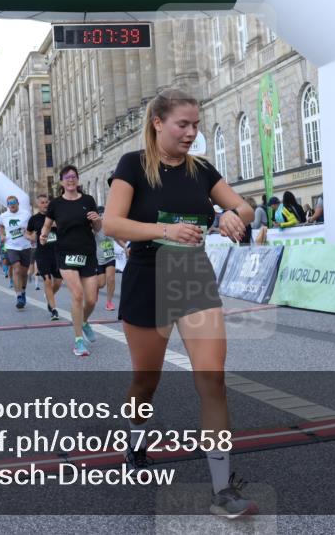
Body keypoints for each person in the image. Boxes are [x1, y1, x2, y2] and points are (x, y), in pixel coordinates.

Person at [103, 89, 257, 517]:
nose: (191, 132)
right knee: (145, 384)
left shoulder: (202, 169)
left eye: (195, 124)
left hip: (192, 277)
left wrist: (233, 216)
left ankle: (222, 488)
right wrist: (164, 231)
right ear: (158, 122)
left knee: (212, 379)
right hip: (147, 277)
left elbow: (244, 208)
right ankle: (134, 442)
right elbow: (113, 223)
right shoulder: (133, 165)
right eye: (182, 124)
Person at [39, 166, 101, 355]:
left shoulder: (88, 200)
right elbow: (47, 224)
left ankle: (83, 321)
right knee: (77, 294)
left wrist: (97, 219)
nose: (71, 180)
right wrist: (43, 235)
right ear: (61, 182)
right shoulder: (56, 204)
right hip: (65, 253)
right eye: (67, 177)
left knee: (91, 299)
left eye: (73, 177)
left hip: (87, 253)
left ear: (78, 179)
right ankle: (78, 341)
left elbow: (97, 228)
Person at [27, 194, 63, 321]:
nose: (45, 204)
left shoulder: (57, 216)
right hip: (42, 254)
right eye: (42, 202)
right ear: (38, 205)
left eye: (47, 202)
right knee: (47, 280)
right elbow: (28, 232)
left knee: (58, 281)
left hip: (57, 253)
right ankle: (54, 309)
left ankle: (49, 296)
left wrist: (56, 226)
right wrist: (31, 238)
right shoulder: (34, 219)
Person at [0, 196, 33, 309]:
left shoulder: (26, 214)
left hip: (25, 246)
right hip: (11, 246)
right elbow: (1, 225)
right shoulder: (4, 216)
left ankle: (23, 292)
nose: (12, 205)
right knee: (17, 269)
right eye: (9, 203)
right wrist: (2, 235)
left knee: (24, 273)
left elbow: (32, 227)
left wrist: (31, 236)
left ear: (18, 203)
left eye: (13, 203)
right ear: (7, 205)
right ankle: (18, 296)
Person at [93, 206, 118, 311]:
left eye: (104, 214)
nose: (102, 216)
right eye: (100, 214)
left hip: (110, 256)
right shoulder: (95, 228)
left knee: (111, 279)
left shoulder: (110, 226)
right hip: (99, 259)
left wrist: (125, 247)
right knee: (101, 283)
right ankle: (95, 289)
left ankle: (109, 302)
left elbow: (118, 237)